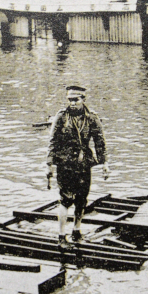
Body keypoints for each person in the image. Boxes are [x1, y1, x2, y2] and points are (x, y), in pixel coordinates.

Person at [46, 85, 109, 249]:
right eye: (70, 100)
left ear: (83, 100)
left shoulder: (92, 118)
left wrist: (105, 164)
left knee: (82, 198)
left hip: (83, 163)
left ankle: (76, 230)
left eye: (76, 100)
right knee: (65, 199)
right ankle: (61, 235)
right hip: (65, 163)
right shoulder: (61, 117)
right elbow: (53, 142)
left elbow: (99, 142)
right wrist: (49, 165)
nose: (72, 103)